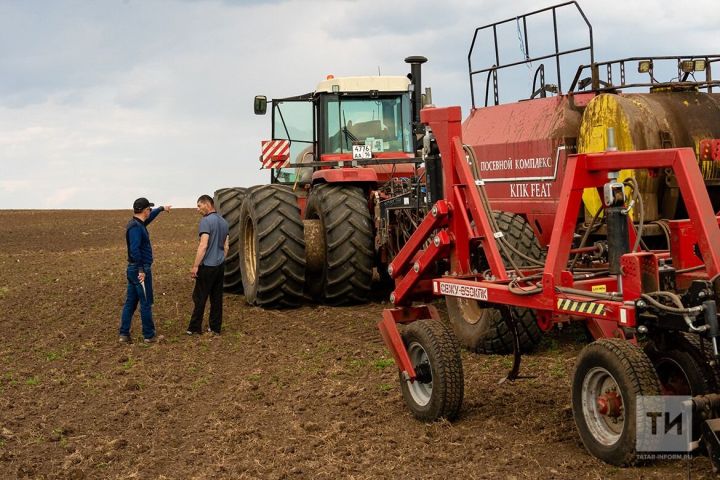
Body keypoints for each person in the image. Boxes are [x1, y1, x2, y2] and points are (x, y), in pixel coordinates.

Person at [119, 197, 172, 344]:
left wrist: (161, 209)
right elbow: (135, 250)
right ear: (143, 211)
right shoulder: (136, 228)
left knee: (131, 302)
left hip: (134, 269)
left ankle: (124, 334)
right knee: (146, 302)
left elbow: (151, 218)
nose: (150, 211)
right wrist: (141, 269)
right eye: (149, 209)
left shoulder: (138, 223)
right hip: (139, 270)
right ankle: (149, 335)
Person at [186, 194, 229, 336]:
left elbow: (203, 245)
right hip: (219, 266)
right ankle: (215, 328)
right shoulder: (224, 222)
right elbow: (226, 246)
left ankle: (194, 328)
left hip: (207, 266)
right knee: (216, 298)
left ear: (207, 204)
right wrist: (221, 259)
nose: (198, 209)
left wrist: (195, 266)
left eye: (199, 206)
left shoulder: (206, 221)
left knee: (200, 297)